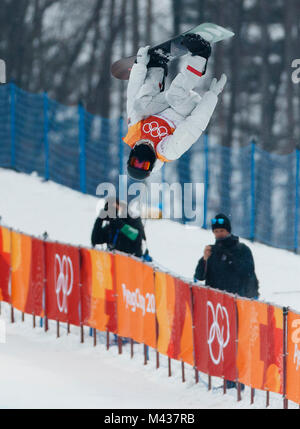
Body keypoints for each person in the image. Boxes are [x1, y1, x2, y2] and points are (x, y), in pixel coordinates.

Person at [124, 34, 227, 180]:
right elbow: (194, 126)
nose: (141, 160)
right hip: (183, 109)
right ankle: (200, 55)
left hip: (163, 105)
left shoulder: (135, 133)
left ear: (130, 158)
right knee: (175, 95)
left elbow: (132, 96)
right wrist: (211, 96)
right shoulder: (168, 151)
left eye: (136, 162)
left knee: (140, 105)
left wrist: (139, 66)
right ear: (151, 165)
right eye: (144, 165)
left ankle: (156, 67)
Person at [194, 213, 259, 390]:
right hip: (216, 306)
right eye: (216, 231)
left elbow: (248, 275)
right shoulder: (211, 251)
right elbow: (199, 276)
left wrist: (250, 299)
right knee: (222, 342)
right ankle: (227, 378)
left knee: (237, 343)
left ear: (228, 230)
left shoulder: (242, 250)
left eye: (222, 230)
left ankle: (238, 380)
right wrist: (204, 259)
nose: (219, 234)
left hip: (237, 304)